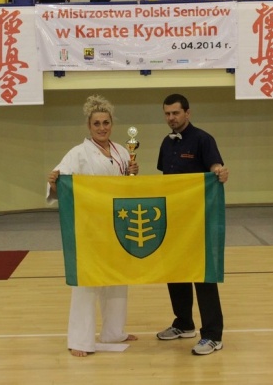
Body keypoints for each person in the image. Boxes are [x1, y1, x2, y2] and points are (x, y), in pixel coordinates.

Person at [46, 95, 139, 357]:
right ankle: (80, 340)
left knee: (117, 279)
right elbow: (61, 184)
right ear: (89, 126)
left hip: (118, 223)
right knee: (87, 282)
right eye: (96, 123)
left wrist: (133, 175)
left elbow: (127, 186)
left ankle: (114, 332)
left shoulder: (122, 151)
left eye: (106, 122)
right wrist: (53, 182)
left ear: (112, 124)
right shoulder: (77, 153)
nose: (102, 127)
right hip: (89, 225)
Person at [155, 93, 229, 356]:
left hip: (199, 221)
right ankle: (184, 323)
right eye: (167, 114)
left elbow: (216, 166)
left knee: (202, 276)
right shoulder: (166, 143)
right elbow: (166, 179)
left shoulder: (203, 139)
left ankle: (213, 335)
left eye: (175, 113)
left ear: (187, 113)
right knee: (176, 272)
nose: (171, 118)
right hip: (174, 220)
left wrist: (220, 172)